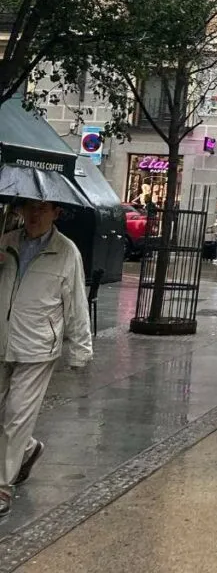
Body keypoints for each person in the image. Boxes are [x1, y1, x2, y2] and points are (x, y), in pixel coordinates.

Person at [0, 200, 93, 516]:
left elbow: (77, 303)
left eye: (44, 209)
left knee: (16, 415)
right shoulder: (6, 241)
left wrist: (81, 350)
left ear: (56, 213)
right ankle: (28, 448)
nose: (35, 215)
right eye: (30, 208)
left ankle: (2, 486)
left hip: (38, 347)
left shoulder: (66, 251)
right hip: (1, 341)